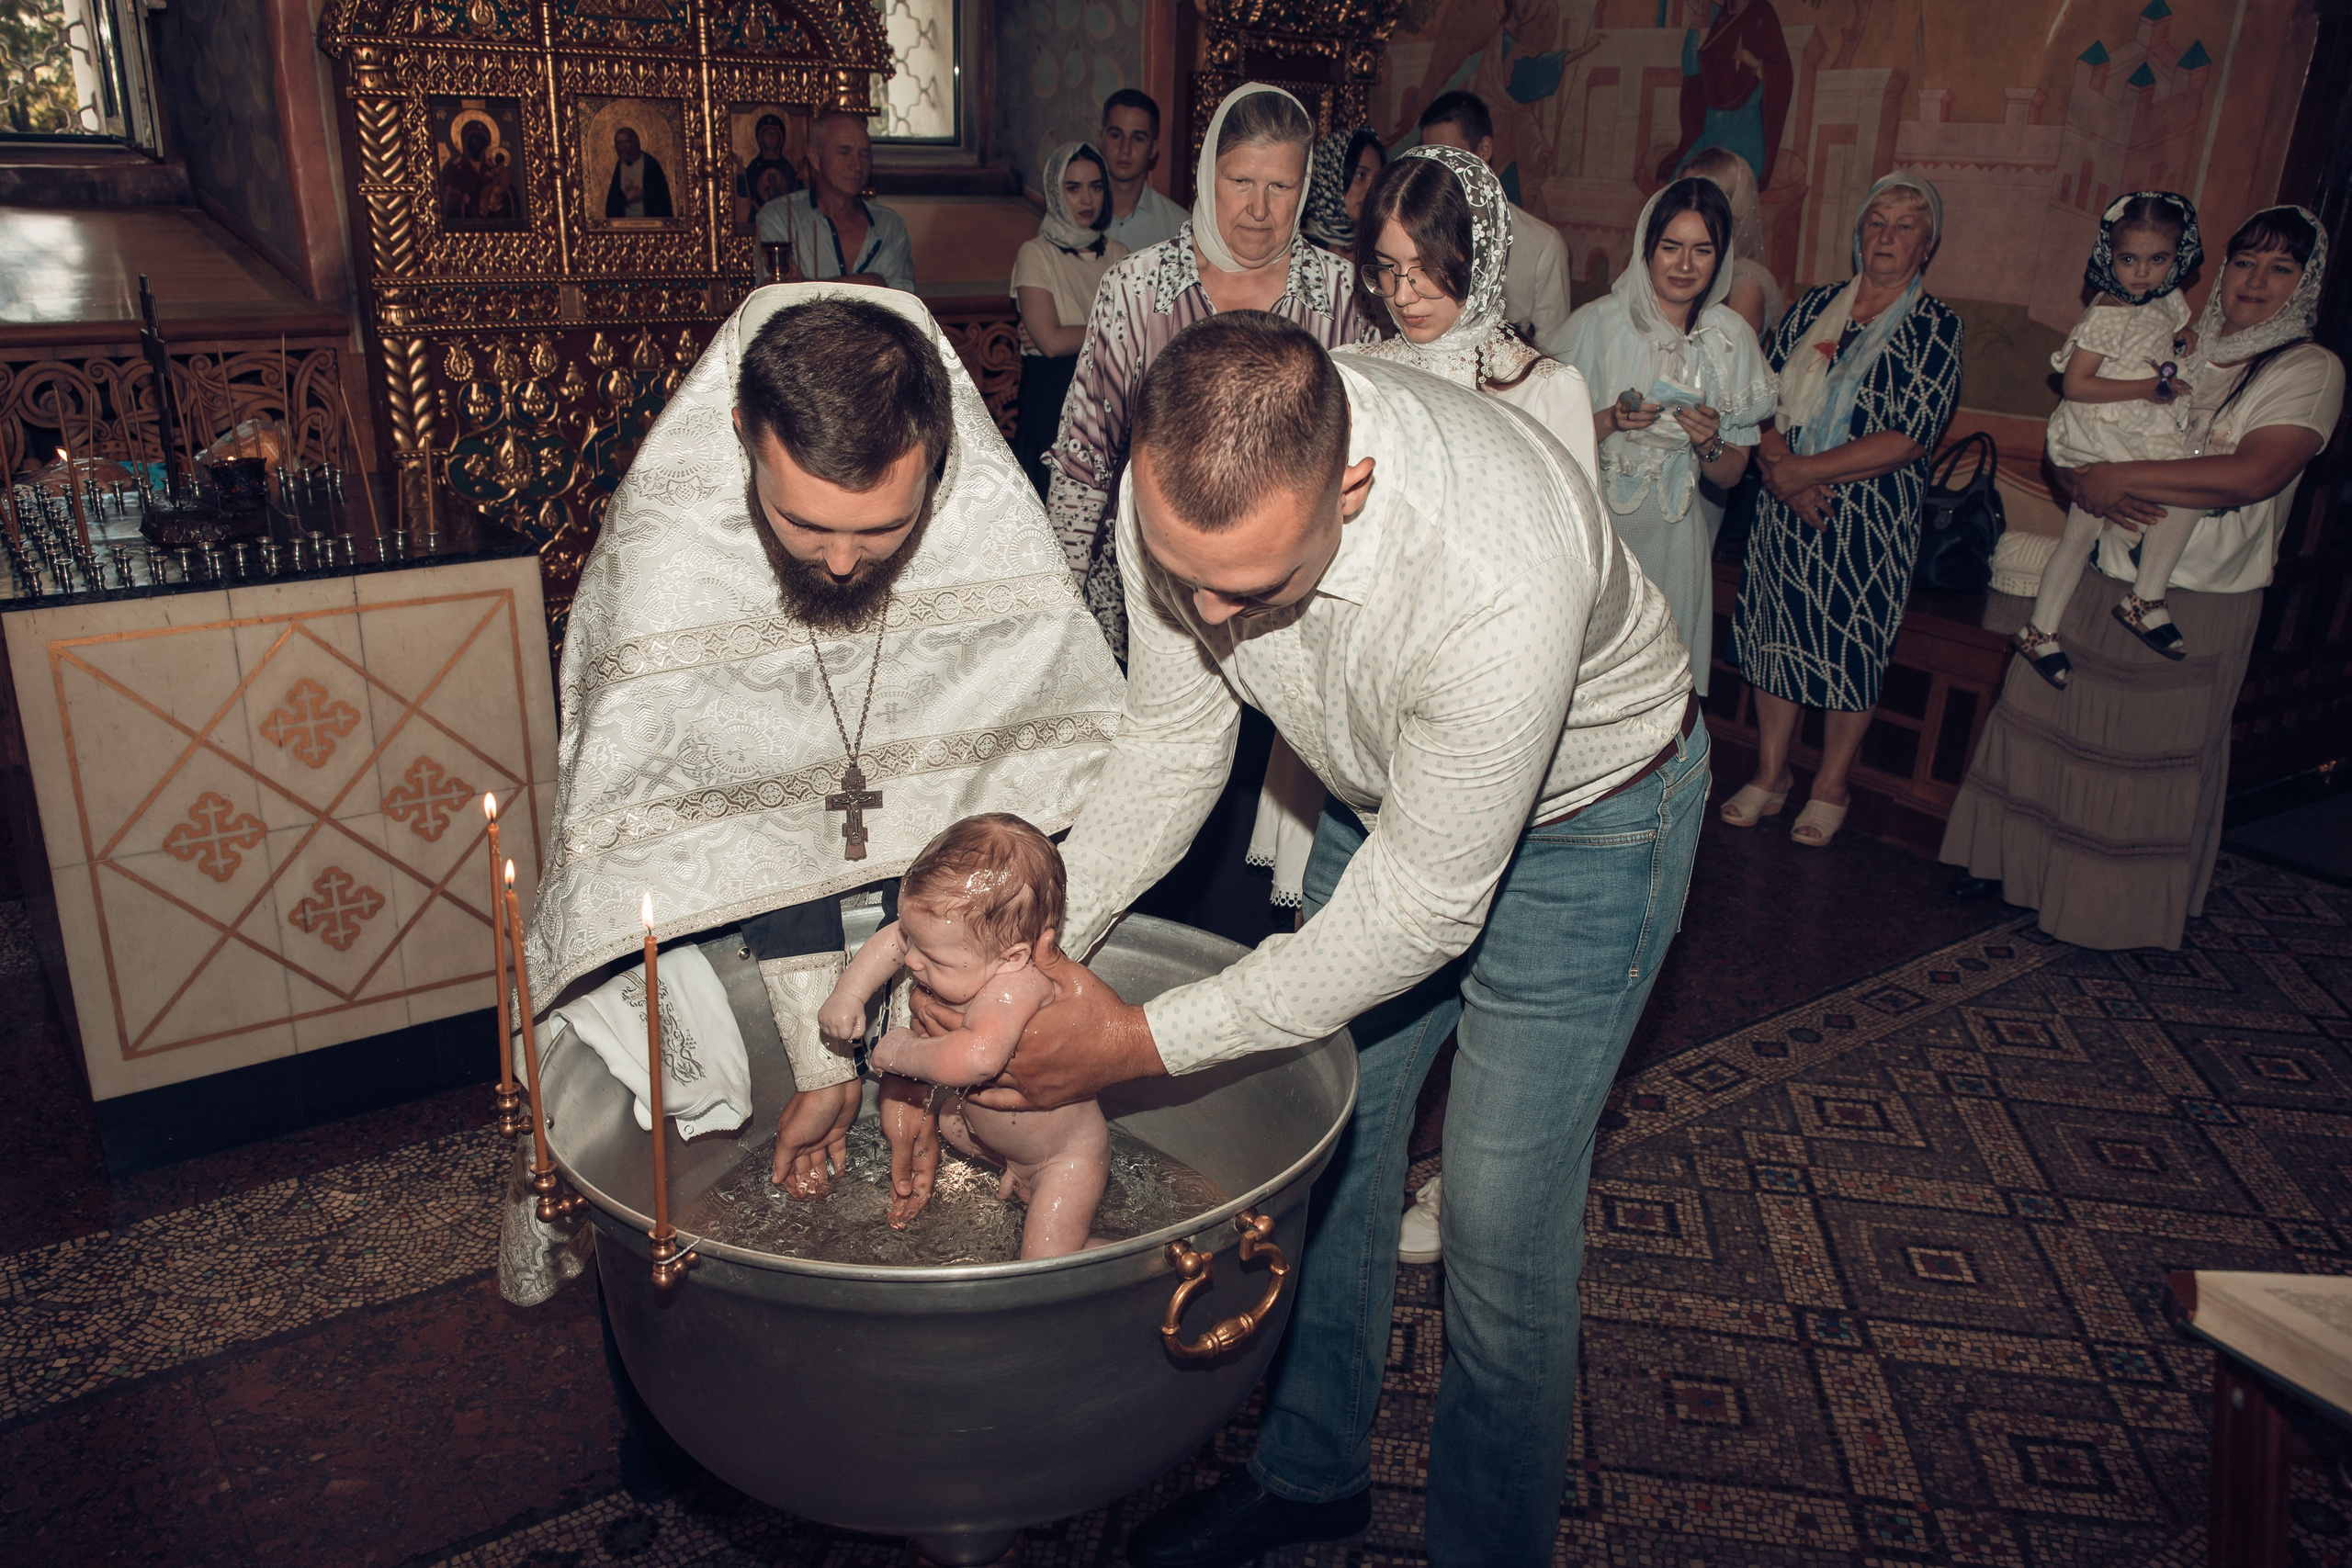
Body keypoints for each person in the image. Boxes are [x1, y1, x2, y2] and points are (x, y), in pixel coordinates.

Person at [935, 311, 1703, 1567]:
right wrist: (1036, 938)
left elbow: (1425, 906)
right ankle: (1308, 1472)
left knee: (1501, 1227)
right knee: (1333, 1147)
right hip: (1385, 798)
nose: (1207, 608)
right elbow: (1177, 742)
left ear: (1349, 484)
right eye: (1186, 575)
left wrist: (1134, 1036)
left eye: (1249, 588)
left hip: (1593, 825)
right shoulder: (1178, 492)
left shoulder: (1494, 563)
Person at [513, 284, 1125, 1492]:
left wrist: (907, 1035)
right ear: (746, 433)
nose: (844, 561)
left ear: (938, 472)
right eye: (804, 527)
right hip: (727, 945)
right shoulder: (672, 566)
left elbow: (1010, 820)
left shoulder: (979, 534)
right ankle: (680, 1434)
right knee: (665, 1239)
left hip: (929, 942)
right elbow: (726, 835)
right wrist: (819, 1049)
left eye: (881, 533)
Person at [1317, 142, 1604, 1266]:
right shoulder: (1359, 372)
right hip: (1372, 723)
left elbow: (1565, 573)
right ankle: (1368, 1197)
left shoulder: (1545, 384)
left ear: (1475, 257)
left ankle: (1469, 1190)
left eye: (1428, 265)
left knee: (1485, 984)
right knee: (1361, 1032)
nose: (1407, 291)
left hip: (1494, 720)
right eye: (1385, 268)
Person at [1943, 207, 2339, 951]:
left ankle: (2103, 910)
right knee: (2046, 725)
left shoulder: (2307, 369)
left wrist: (2115, 476)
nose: (2257, 281)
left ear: (2306, 282)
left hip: (2197, 590)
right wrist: (2084, 478)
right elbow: (2078, 427)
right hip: (2102, 568)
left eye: (2281, 268)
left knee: (2137, 759)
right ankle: (2012, 870)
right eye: (2247, 261)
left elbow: (2255, 471)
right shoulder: (2175, 338)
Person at [1046, 82, 1377, 659]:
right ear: (1207, 173)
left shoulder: (1343, 293)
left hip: (1292, 606)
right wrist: (1057, 608)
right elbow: (1085, 457)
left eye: (1281, 186)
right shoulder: (1138, 288)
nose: (1259, 208)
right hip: (1160, 598)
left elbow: (1369, 450)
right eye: (1241, 181)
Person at [1724, 172, 1962, 848]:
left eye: (1905, 225)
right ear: (1859, 235)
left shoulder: (1936, 327)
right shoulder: (1813, 307)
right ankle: (1770, 773)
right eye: (1877, 222)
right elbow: (1756, 393)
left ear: (1927, 245)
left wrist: (1804, 470)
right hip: (1783, 504)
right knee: (1776, 635)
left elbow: (1914, 431)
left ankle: (1831, 782)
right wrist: (1781, 468)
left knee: (1849, 643)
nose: (1887, 236)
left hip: (1868, 518)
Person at [814, 813, 1109, 1259]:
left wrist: (901, 1052)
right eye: (912, 940)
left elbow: (977, 1060)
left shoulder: (1017, 986)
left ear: (1013, 957)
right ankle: (1010, 1165)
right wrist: (848, 995)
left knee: (1045, 1262)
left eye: (930, 956)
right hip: (1004, 1141)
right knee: (949, 1118)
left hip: (1062, 1159)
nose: (911, 961)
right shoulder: (964, 948)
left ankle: (1142, 1262)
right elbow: (892, 942)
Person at [1552, 176, 1776, 698]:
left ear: (1720, 259)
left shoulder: (1729, 339)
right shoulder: (1596, 326)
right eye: (1670, 247)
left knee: (1658, 695)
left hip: (1676, 541)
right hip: (1599, 539)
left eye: (1703, 250)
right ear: (1646, 248)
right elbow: (1546, 442)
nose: (1684, 265)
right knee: (1582, 689)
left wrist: (1710, 443)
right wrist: (1609, 420)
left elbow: (1732, 472)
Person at [2015, 193, 2205, 685]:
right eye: (2128, 260)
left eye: (2157, 259)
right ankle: (2146, 597)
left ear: (2177, 258)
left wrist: (2187, 339)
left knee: (2080, 535)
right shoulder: (2108, 312)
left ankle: (2040, 631)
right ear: (2109, 257)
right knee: (2187, 489)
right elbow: (2076, 384)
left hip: (2137, 422)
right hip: (2101, 424)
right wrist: (2149, 387)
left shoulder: (2164, 298)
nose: (2141, 273)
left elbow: (2172, 328)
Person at [1010, 142, 1128, 496]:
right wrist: (1113, 326)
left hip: (1107, 393)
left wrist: (1068, 332)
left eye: (1095, 186)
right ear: (1054, 192)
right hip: (1051, 396)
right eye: (1073, 188)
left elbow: (1136, 335)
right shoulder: (1036, 253)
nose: (1086, 199)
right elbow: (1049, 341)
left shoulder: (1119, 254)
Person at [1417, 90, 1570, 341]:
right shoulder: (1416, 230)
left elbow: (1554, 345)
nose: (1438, 171)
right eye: (1431, 158)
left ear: (1484, 149)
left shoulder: (1542, 244)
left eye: (1450, 157)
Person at [754, 110, 915, 291]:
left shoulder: (889, 225)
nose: (857, 165)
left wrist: (808, 287)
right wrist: (871, 283)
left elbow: (902, 304)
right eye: (844, 152)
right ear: (815, 157)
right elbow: (777, 298)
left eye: (865, 154)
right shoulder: (780, 217)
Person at [1656, 0, 1793, 189]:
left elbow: (1782, 74)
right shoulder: (1725, 19)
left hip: (1744, 141)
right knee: (1677, 186)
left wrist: (1753, 62)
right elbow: (1693, 68)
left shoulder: (1762, 13)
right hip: (1711, 136)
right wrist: (1694, 25)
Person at [1681, 144, 1781, 339]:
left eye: (1694, 198)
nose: (1684, 208)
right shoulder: (1674, 262)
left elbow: (1724, 359)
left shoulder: (1747, 285)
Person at [1099, 88, 1187, 254]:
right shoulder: (1071, 222)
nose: (1125, 148)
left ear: (1153, 148)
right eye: (1116, 135)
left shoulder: (1178, 228)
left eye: (1138, 138)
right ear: (1100, 140)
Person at [1300, 127, 1385, 255]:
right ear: (1329, 177)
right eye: (1361, 175)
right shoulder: (1298, 253)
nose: (1371, 188)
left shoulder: (1377, 253)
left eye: (1378, 178)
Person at [734, 112, 799, 231]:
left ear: (781, 138)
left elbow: (796, 193)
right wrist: (741, 173)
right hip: (759, 216)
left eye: (774, 135)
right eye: (766, 134)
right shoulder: (755, 165)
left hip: (783, 219)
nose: (770, 138)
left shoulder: (785, 166)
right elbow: (745, 192)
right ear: (760, 138)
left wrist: (800, 177)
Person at [605, 126, 673, 220]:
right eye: (619, 143)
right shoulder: (620, 166)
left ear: (635, 143)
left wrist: (645, 194)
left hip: (649, 223)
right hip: (625, 224)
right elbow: (611, 206)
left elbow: (661, 199)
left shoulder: (650, 164)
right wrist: (628, 199)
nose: (622, 147)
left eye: (626, 142)